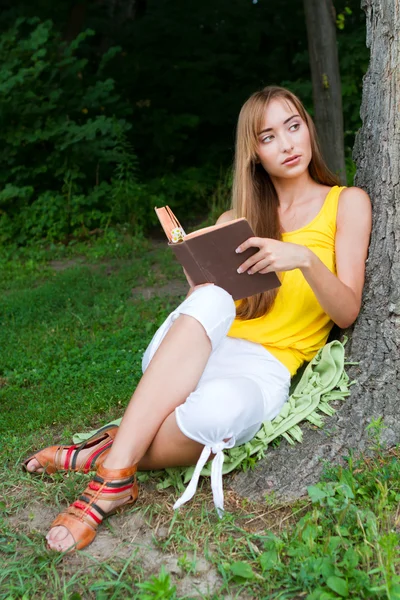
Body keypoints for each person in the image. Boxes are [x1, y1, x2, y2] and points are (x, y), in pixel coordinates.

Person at [23, 86, 372, 552]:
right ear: (254, 153)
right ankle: (110, 484)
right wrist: (199, 270)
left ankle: (108, 449)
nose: (287, 144)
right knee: (210, 300)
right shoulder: (238, 217)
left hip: (264, 367)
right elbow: (199, 313)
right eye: (268, 137)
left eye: (293, 126)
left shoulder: (346, 202)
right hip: (199, 350)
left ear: (308, 128)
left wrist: (304, 258)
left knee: (216, 416)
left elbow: (348, 312)